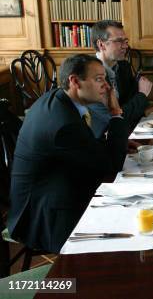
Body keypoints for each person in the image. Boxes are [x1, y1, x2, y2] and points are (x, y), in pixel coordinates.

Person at [7, 54, 129, 253]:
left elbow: (86, 146)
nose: (107, 86)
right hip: (43, 216)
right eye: (99, 79)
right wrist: (115, 112)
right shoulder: (63, 123)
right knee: (125, 219)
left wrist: (117, 143)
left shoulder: (57, 98)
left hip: (57, 187)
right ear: (74, 81)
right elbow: (112, 164)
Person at [88, 20, 153, 136]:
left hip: (129, 133)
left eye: (126, 41)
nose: (125, 46)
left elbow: (136, 110)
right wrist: (142, 94)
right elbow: (115, 118)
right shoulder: (90, 77)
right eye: (119, 41)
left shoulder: (124, 66)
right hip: (103, 139)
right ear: (101, 45)